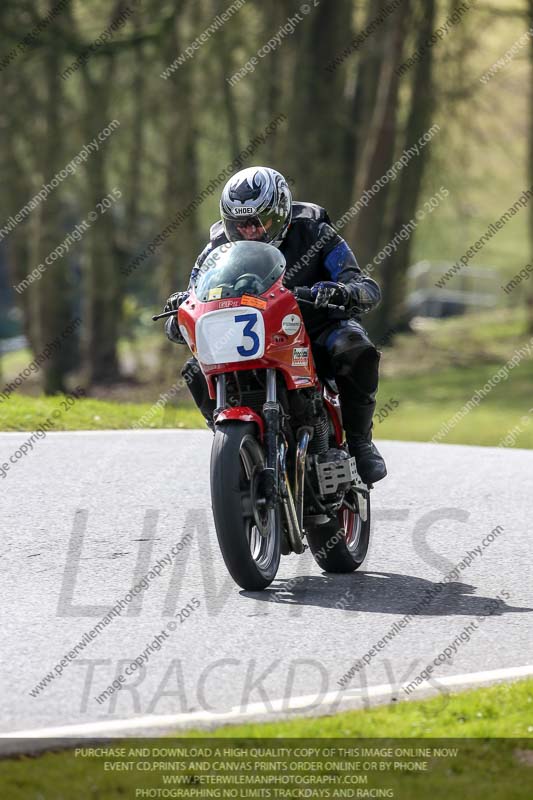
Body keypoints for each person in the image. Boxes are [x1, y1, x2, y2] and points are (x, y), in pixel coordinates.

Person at [164, 166, 386, 483]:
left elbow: (363, 285)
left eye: (258, 222)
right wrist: (179, 313)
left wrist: (342, 292)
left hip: (312, 325)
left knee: (354, 347)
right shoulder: (215, 248)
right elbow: (194, 295)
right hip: (248, 334)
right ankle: (234, 445)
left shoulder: (314, 230)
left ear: (280, 213)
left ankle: (362, 442)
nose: (249, 232)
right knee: (193, 369)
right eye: (239, 224)